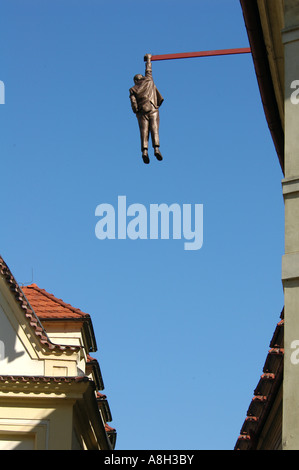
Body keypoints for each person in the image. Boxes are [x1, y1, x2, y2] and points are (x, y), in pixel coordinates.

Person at [129, 54, 164, 164]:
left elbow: (133, 103)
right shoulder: (148, 81)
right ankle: (156, 149)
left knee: (143, 132)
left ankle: (145, 151)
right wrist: (148, 59)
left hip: (142, 112)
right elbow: (148, 70)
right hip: (152, 108)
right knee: (155, 129)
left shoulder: (133, 89)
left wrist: (136, 110)